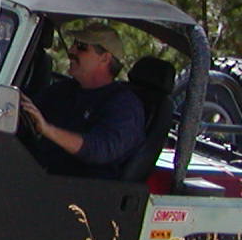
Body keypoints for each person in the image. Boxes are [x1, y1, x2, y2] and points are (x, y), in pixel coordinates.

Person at [18, 22, 146, 179]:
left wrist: (47, 130)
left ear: (105, 58)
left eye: (81, 47)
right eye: (74, 44)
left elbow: (99, 150)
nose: (71, 51)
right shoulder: (64, 90)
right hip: (37, 175)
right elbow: (28, 114)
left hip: (82, 192)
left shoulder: (124, 106)